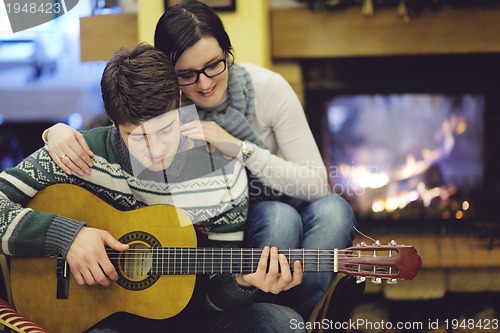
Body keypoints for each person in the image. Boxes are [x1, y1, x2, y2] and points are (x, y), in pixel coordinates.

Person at [41, 0, 357, 319]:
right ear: (167, 75)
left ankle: (301, 316)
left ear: (227, 53)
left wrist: (239, 148)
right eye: (187, 75)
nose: (204, 83)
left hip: (277, 192)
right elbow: (117, 130)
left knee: (335, 210)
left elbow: (316, 185)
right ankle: (267, 310)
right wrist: (56, 131)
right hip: (240, 217)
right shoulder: (162, 110)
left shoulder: (267, 89)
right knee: (280, 218)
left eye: (214, 65)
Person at [0, 43, 306, 333]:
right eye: (136, 136)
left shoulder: (222, 174)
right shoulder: (78, 156)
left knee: (281, 322)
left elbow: (213, 298)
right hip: (105, 318)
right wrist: (67, 237)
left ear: (181, 105)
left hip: (192, 318)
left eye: (165, 129)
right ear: (113, 121)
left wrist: (241, 281)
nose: (155, 149)